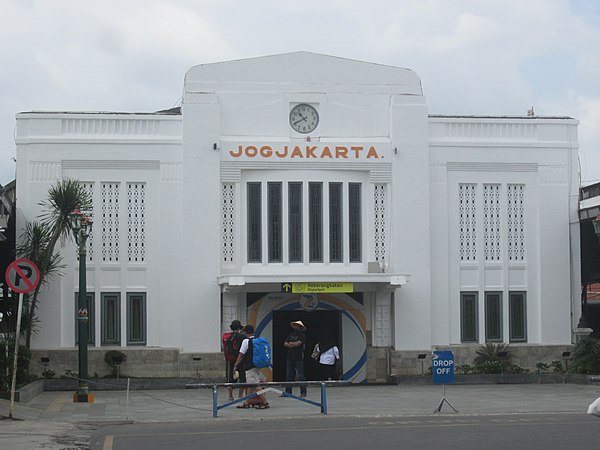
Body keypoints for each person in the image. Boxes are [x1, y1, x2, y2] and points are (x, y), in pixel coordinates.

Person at [233, 324, 269, 409]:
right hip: (257, 365)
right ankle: (246, 402)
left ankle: (265, 402)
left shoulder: (246, 341)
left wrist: (235, 365)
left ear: (245, 332)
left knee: (255, 385)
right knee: (250, 384)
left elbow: (241, 355)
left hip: (250, 366)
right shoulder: (256, 340)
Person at [222, 320, 246, 401]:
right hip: (241, 359)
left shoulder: (229, 337)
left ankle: (230, 396)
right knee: (242, 378)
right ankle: (240, 395)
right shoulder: (242, 336)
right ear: (239, 327)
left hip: (231, 359)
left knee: (231, 378)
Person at [284, 320, 307, 397]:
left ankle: (303, 392)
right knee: (289, 375)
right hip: (289, 357)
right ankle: (288, 392)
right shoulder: (290, 334)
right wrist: (292, 344)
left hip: (299, 357)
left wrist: (291, 343)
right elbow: (285, 343)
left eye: (297, 326)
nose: (296, 327)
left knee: (301, 376)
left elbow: (298, 343)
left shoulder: (303, 335)